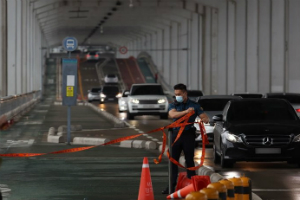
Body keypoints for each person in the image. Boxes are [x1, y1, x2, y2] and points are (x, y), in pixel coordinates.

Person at [162, 83, 209, 194]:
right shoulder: (173, 105)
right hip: (175, 135)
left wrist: (204, 119)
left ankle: (192, 185)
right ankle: (171, 186)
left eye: (179, 94)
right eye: (175, 94)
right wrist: (186, 112)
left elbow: (204, 117)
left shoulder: (194, 105)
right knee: (173, 160)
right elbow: (173, 115)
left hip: (188, 135)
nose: (177, 96)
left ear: (185, 93)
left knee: (189, 160)